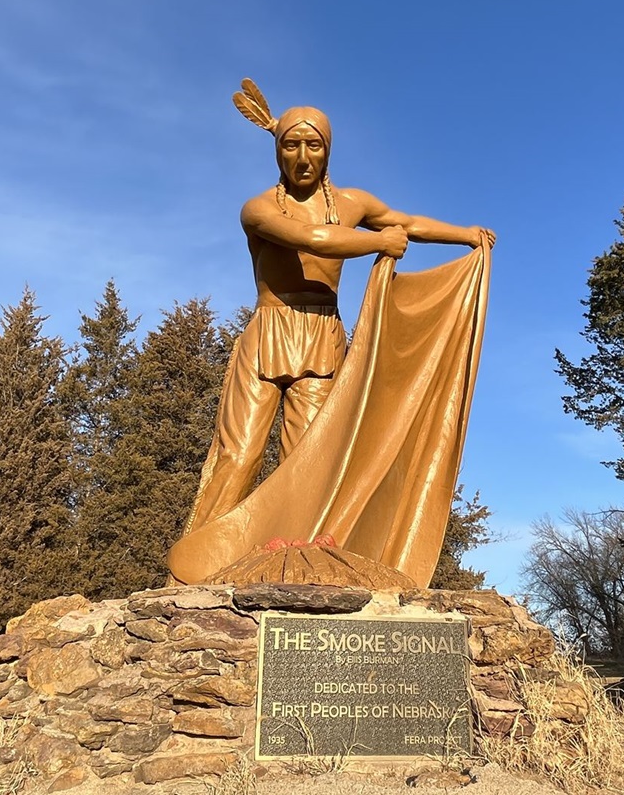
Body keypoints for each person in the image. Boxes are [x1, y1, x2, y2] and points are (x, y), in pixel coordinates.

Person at [180, 80, 495, 539]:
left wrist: (465, 234)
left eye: (314, 145)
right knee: (239, 453)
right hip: (269, 333)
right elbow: (314, 239)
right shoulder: (259, 209)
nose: (303, 157)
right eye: (291, 145)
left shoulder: (352, 203)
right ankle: (196, 557)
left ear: (328, 151)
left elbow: (407, 223)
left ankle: (295, 553)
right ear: (277, 150)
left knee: (308, 458)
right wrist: (379, 242)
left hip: (322, 336)